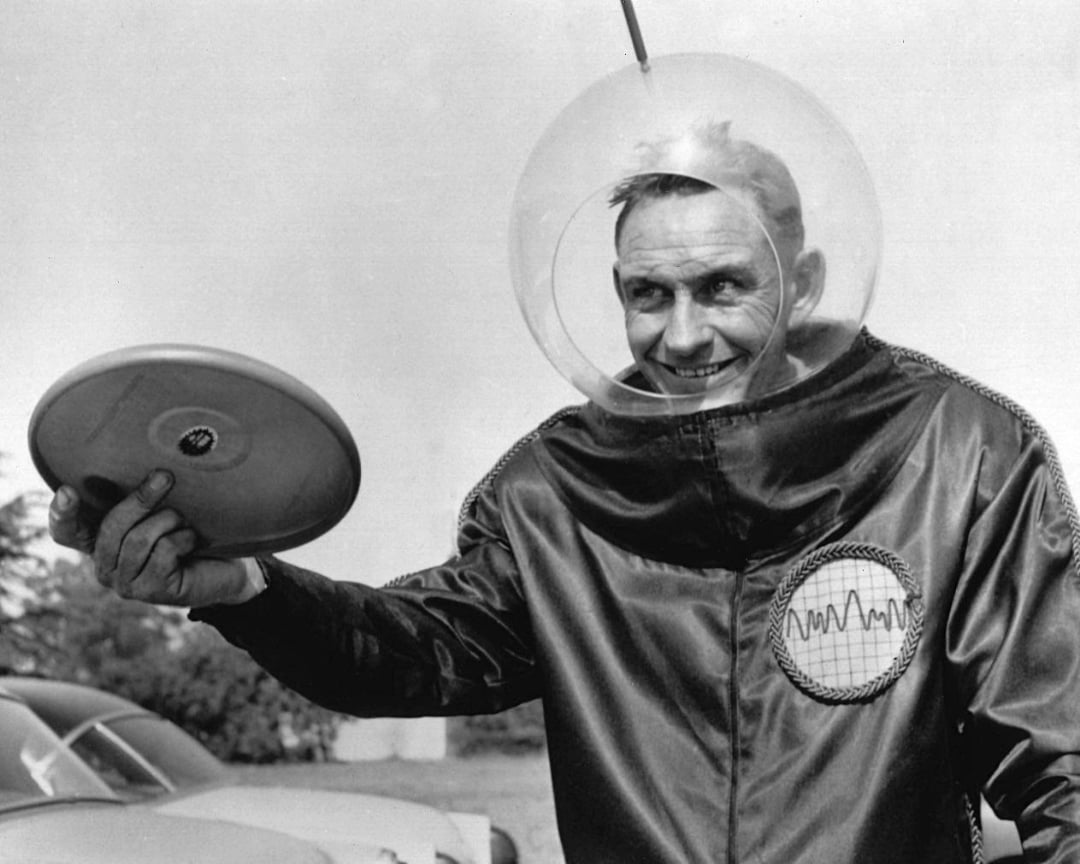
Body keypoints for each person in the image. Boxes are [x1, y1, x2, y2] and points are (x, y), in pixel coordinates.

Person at [49, 126, 1080, 863]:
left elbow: (1062, 767)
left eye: (724, 286)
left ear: (803, 281)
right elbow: (416, 651)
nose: (684, 335)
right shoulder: (554, 489)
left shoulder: (962, 453)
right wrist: (245, 588)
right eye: (648, 294)